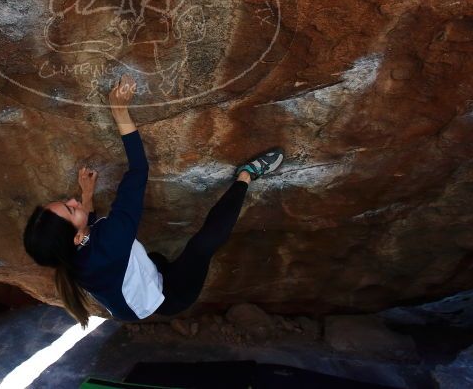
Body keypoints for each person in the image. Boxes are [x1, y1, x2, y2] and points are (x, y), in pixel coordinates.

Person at [23, 74, 284, 328]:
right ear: (76, 239)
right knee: (201, 246)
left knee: (157, 258)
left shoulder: (67, 256)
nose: (73, 200)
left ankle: (153, 268)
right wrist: (120, 112)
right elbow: (138, 169)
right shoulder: (113, 240)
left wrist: (87, 196)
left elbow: (86, 231)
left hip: (134, 293)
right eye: (71, 208)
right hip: (171, 296)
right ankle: (247, 176)